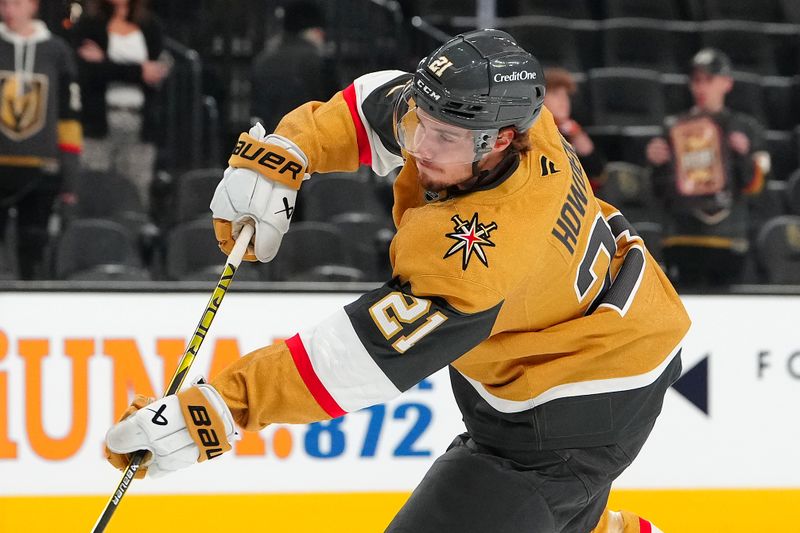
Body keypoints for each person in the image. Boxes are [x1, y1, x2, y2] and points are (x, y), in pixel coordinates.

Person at [105, 30, 690, 533]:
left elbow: (354, 359)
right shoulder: (501, 111)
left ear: (501, 141)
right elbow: (378, 103)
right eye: (421, 123)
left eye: (443, 139)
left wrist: (223, 409)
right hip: (601, 331)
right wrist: (288, 149)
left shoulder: (483, 248)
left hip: (575, 402)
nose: (418, 148)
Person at [645, 48, 770, 288]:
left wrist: (745, 158)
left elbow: (758, 189)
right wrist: (656, 164)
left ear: (727, 83)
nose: (701, 88)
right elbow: (656, 192)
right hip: (681, 238)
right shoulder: (673, 127)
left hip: (729, 240)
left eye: (709, 80)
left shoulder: (747, 128)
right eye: (696, 80)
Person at [0, 0, 82, 279]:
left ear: (33, 5)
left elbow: (69, 116)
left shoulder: (57, 51)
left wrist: (69, 171)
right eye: (3, 3)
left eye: (16, 3)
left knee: (33, 250)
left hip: (41, 169)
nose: (8, 9)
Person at [70, 0, 169, 207]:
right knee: (95, 193)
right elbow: (88, 73)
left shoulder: (151, 26)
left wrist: (106, 62)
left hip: (139, 122)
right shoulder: (89, 26)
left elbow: (156, 74)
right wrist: (138, 71)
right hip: (98, 122)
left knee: (135, 195)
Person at [250, 0, 331, 133]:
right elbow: (332, 107)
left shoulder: (263, 60)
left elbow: (257, 110)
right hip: (307, 140)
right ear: (316, 31)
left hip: (270, 140)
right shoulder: (318, 61)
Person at [544, 67, 606, 191]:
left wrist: (578, 137)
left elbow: (597, 176)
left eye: (566, 95)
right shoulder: (533, 132)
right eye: (555, 94)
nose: (563, 100)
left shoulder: (572, 130)